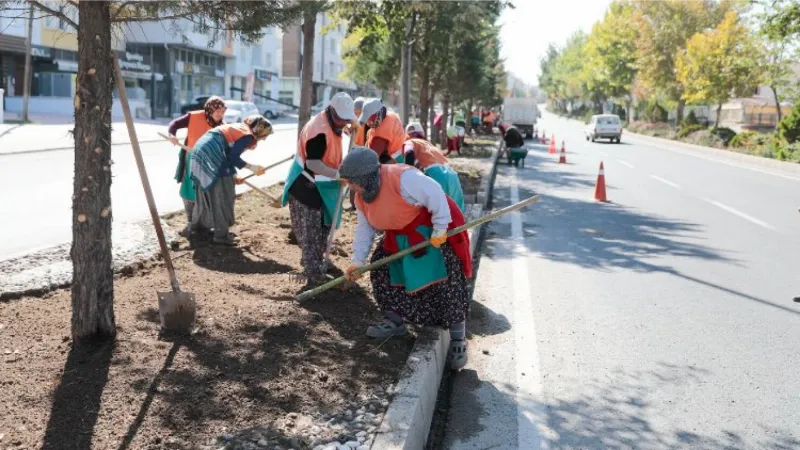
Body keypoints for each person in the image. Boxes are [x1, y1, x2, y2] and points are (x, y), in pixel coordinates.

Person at [340, 148, 472, 370]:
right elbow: (365, 229)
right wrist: (357, 261)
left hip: (427, 233)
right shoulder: (361, 196)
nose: (351, 187)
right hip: (397, 236)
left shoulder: (403, 178)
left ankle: (458, 341)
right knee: (382, 272)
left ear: (366, 177)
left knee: (446, 282)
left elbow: (436, 194)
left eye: (353, 182)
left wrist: (439, 229)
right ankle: (395, 322)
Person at [281, 92, 357, 283]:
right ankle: (313, 271)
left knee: (324, 225)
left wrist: (350, 125)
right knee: (311, 231)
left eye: (346, 118)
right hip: (304, 186)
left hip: (320, 185)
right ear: (331, 111)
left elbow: (342, 128)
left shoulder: (334, 122)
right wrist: (338, 174)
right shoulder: (319, 131)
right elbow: (314, 164)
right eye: (341, 118)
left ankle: (318, 258)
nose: (343, 122)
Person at [189, 115, 273, 245]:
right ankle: (221, 235)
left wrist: (233, 175)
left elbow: (228, 155)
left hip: (200, 152)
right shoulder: (248, 135)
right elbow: (233, 157)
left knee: (208, 193)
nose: (264, 139)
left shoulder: (240, 128)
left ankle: (198, 228)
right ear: (258, 130)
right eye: (264, 135)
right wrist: (252, 167)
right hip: (212, 154)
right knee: (223, 195)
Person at [166, 96, 227, 236]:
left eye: (223, 112)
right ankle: (191, 221)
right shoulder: (194, 117)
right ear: (209, 109)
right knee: (190, 190)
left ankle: (205, 223)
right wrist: (171, 135)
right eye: (217, 111)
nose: (220, 115)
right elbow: (174, 124)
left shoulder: (222, 126)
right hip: (192, 158)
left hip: (209, 162)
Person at [403, 135, 465, 212]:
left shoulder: (408, 143)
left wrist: (408, 177)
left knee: (436, 213)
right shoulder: (425, 145)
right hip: (451, 174)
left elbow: (409, 153)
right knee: (456, 212)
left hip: (436, 175)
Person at [359, 98, 407, 164]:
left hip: (392, 163)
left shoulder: (383, 130)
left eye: (371, 119)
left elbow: (371, 157)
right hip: (398, 158)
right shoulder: (389, 116)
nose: (369, 123)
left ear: (379, 113)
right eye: (368, 120)